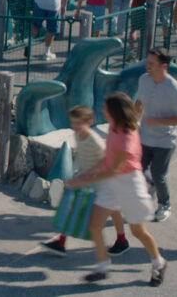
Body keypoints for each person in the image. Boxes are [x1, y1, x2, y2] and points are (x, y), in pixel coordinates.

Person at [67, 93, 167, 286]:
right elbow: (107, 160)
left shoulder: (127, 137)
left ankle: (159, 263)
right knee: (95, 226)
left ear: (115, 111)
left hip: (129, 184)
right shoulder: (113, 126)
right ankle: (103, 267)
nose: (102, 110)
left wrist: (84, 181)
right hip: (111, 183)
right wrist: (86, 175)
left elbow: (114, 170)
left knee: (138, 231)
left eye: (106, 107)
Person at [41, 106, 130, 257]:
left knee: (112, 211)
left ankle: (121, 241)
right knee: (72, 206)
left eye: (78, 123)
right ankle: (61, 242)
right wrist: (77, 175)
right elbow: (82, 157)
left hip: (102, 181)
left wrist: (89, 175)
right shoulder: (77, 135)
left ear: (89, 122)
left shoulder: (93, 140)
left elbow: (105, 160)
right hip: (88, 180)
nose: (75, 126)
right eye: (73, 122)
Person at [135, 48, 177, 223]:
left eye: (152, 64)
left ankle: (165, 204)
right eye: (148, 62)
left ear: (164, 66)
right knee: (137, 169)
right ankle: (149, 188)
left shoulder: (175, 89)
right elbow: (139, 102)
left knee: (158, 173)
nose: (147, 66)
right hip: (145, 136)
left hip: (166, 140)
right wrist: (133, 122)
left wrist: (159, 121)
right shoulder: (144, 80)